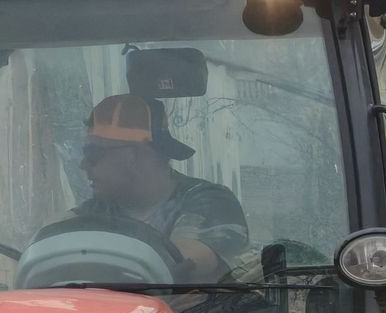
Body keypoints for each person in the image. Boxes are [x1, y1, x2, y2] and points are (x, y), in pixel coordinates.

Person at [74, 94, 252, 284]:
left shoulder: (210, 202)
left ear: (137, 155)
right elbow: (47, 241)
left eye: (92, 152)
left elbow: (178, 263)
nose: (83, 164)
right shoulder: (97, 210)